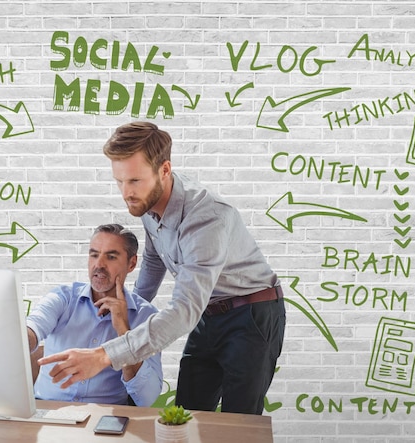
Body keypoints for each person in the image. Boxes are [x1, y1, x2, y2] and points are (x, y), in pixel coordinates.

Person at [39, 122, 286, 415]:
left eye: (134, 181)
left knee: (239, 421)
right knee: (186, 412)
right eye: (119, 182)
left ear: (164, 170)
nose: (126, 193)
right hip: (207, 313)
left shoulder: (207, 220)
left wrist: (105, 355)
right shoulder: (148, 203)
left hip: (251, 314)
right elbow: (155, 258)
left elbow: (183, 313)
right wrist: (129, 304)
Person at [26, 223, 162, 406]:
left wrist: (124, 332)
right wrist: (17, 340)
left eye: (111, 257)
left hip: (105, 418)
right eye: (94, 255)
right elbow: (33, 327)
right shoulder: (63, 298)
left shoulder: (146, 317)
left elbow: (147, 398)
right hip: (49, 412)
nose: (99, 265)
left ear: (131, 263)